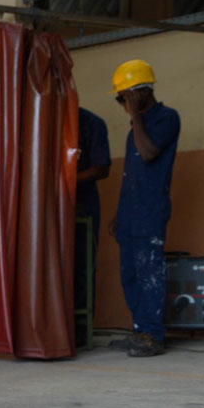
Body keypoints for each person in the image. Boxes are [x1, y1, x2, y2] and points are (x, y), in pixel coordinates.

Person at [107, 60, 180, 357]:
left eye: (124, 97)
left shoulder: (166, 118)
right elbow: (132, 176)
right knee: (131, 275)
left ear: (141, 93)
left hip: (150, 212)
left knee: (150, 273)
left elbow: (149, 154)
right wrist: (120, 213)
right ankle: (140, 330)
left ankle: (153, 335)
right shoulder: (133, 130)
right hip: (130, 214)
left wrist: (136, 116)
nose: (122, 103)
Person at [74, 107, 111, 346]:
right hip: (45, 206)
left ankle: (79, 332)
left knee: (81, 268)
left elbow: (101, 168)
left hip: (82, 205)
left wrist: (62, 180)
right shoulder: (37, 120)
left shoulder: (91, 123)